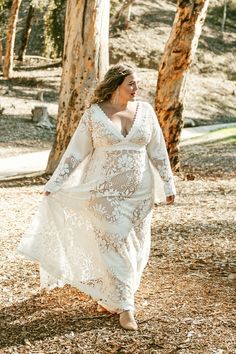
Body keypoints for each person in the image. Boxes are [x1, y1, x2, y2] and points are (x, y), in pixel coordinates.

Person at [17, 63, 176, 331]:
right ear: (116, 85)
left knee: (136, 247)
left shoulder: (146, 112)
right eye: (132, 84)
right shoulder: (94, 115)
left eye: (137, 83)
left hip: (140, 194)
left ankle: (113, 296)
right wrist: (55, 183)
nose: (137, 88)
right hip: (102, 193)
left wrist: (169, 185)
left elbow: (158, 151)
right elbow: (75, 153)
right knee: (112, 241)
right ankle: (127, 307)